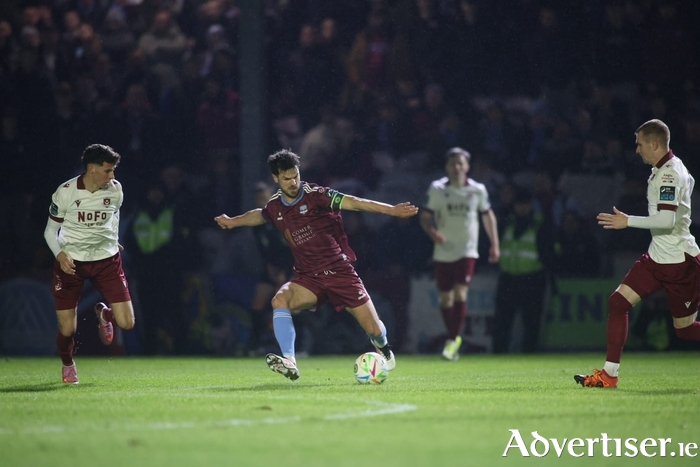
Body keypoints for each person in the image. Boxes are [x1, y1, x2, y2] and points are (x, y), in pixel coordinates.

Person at [214, 149, 418, 380]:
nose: (293, 182)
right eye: (286, 178)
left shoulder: (316, 195)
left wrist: (391, 210)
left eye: (295, 176)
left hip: (340, 273)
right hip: (309, 277)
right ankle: (290, 361)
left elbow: (355, 203)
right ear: (275, 178)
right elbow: (260, 215)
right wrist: (233, 221)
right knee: (280, 300)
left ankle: (384, 348)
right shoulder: (275, 206)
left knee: (374, 329)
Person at [575, 119, 700, 388]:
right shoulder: (664, 169)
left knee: (686, 331)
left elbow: (667, 221)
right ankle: (609, 375)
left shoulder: (669, 173)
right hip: (656, 258)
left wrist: (627, 221)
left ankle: (609, 375)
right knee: (618, 303)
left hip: (680, 263)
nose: (637, 149)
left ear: (654, 144)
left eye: (640, 144)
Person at [44, 144, 136, 384]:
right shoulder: (66, 192)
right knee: (68, 330)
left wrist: (113, 240)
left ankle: (104, 314)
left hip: (106, 260)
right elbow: (50, 231)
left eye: (114, 170)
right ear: (91, 169)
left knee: (127, 323)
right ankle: (67, 363)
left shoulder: (115, 190)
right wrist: (60, 255)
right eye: (108, 171)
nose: (112, 176)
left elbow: (113, 215)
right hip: (71, 262)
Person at [420, 147, 500, 361]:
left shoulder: (477, 190)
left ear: (467, 167)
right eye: (452, 164)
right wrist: (431, 231)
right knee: (445, 298)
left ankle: (452, 340)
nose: (456, 167)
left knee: (460, 294)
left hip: (467, 250)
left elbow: (488, 216)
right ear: (447, 167)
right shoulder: (437, 189)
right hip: (443, 250)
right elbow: (425, 217)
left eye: (460, 164)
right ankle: (452, 338)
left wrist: (495, 244)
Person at [492, 189, 556, 354]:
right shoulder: (507, 222)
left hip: (532, 278)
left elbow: (549, 253)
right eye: (519, 205)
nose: (522, 208)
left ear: (531, 206)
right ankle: (498, 354)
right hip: (508, 278)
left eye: (525, 205)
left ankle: (530, 355)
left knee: (532, 321)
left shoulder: (541, 224)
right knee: (502, 321)